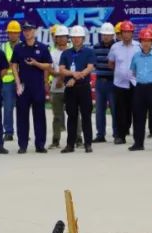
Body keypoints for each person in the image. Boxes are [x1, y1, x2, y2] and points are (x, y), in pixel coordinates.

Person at [11, 21, 52, 154]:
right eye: (25, 30)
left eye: (29, 30)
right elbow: (13, 65)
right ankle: (22, 145)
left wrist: (36, 63)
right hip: (23, 87)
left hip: (37, 86)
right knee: (22, 116)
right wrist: (17, 81)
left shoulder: (42, 47)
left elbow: (48, 66)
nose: (27, 32)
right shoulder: (18, 48)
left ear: (34, 31)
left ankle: (40, 144)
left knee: (39, 116)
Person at [59, 25, 95, 153]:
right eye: (74, 37)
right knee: (71, 116)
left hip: (84, 88)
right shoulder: (66, 53)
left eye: (79, 37)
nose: (76, 40)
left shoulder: (88, 52)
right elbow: (61, 69)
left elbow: (90, 67)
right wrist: (72, 74)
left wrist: (76, 77)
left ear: (83, 38)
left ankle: (88, 144)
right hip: (70, 90)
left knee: (86, 116)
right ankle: (70, 144)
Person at [129, 27, 152, 151]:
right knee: (138, 116)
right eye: (143, 40)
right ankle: (138, 143)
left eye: (148, 40)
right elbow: (133, 72)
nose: (146, 43)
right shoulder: (135, 56)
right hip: (139, 88)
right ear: (140, 41)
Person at [108, 20, 138, 144]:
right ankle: (120, 135)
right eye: (124, 32)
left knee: (135, 109)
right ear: (120, 34)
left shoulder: (138, 47)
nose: (126, 35)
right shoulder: (115, 47)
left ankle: (135, 133)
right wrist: (121, 71)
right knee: (120, 110)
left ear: (132, 33)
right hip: (119, 83)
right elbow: (111, 63)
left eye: (128, 32)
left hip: (135, 83)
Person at [93, 22, 117, 143]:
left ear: (113, 35)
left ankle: (117, 134)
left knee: (115, 109)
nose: (106, 36)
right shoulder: (96, 47)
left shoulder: (117, 46)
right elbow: (93, 63)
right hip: (100, 82)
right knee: (99, 110)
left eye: (108, 34)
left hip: (113, 82)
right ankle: (100, 134)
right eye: (104, 34)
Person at [49, 25, 72, 149]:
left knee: (74, 114)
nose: (62, 39)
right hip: (56, 88)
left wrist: (61, 77)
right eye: (59, 37)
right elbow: (50, 69)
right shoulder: (52, 53)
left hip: (71, 87)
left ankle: (77, 139)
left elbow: (74, 69)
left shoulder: (72, 52)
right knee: (57, 116)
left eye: (64, 36)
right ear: (56, 38)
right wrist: (61, 74)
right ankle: (56, 140)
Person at [0, 20, 21, 141]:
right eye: (10, 32)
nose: (13, 35)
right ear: (8, 34)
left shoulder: (23, 46)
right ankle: (8, 132)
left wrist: (11, 63)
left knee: (22, 107)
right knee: (8, 107)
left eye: (15, 32)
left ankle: (23, 131)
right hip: (7, 81)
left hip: (21, 81)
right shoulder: (3, 47)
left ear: (19, 33)